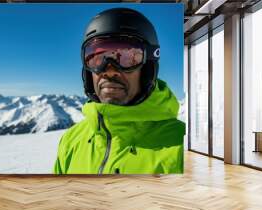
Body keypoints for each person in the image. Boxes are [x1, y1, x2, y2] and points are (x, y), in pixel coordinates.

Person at [53, 8, 185, 174]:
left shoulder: (181, 146)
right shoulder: (70, 140)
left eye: (126, 57)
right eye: (97, 58)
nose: (109, 71)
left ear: (148, 67)